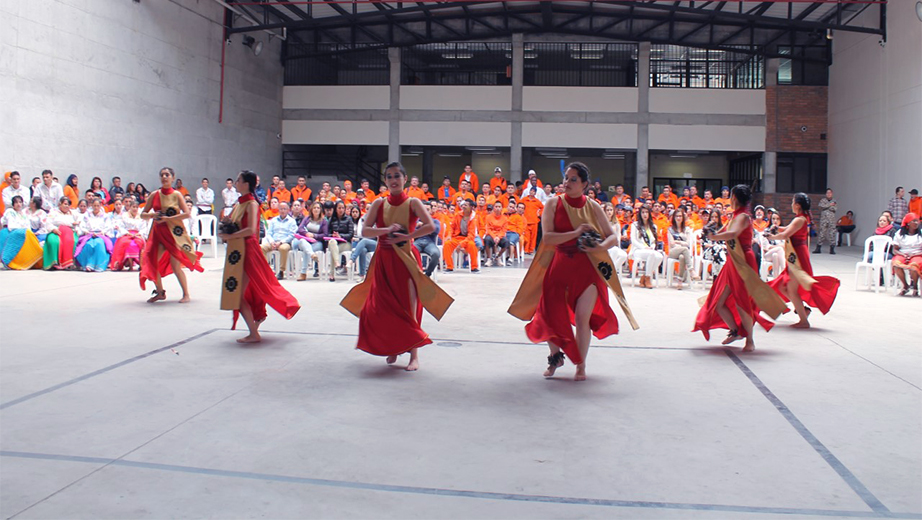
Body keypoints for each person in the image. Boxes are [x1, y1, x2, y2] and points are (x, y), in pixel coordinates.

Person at [508, 162, 637, 382]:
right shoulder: (552, 204)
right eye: (566, 178)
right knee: (551, 316)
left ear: (584, 184)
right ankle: (555, 356)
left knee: (582, 318)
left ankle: (581, 363)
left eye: (573, 179)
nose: (566, 183)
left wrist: (599, 247)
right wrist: (576, 232)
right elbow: (547, 238)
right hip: (559, 266)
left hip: (587, 269)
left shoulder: (593, 206)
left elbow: (612, 237)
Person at [340, 162, 454, 372]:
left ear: (404, 179)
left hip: (406, 258)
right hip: (384, 258)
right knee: (383, 306)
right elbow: (365, 231)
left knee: (409, 307)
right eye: (389, 176)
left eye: (397, 176)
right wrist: (386, 230)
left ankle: (414, 355)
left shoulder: (413, 202)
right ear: (385, 181)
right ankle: (393, 346)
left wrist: (409, 235)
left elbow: (430, 226)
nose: (393, 180)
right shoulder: (378, 204)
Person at [693, 185, 786, 352]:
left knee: (742, 302)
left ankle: (750, 340)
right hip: (732, 260)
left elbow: (731, 234)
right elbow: (723, 230)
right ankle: (735, 331)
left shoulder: (743, 217)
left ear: (734, 198)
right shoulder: (734, 216)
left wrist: (713, 236)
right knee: (718, 301)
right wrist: (709, 230)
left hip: (743, 261)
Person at [218, 170, 300, 343]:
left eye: (239, 180)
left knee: (240, 295)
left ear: (246, 184)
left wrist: (230, 236)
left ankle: (254, 333)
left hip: (248, 250)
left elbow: (251, 231)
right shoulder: (239, 204)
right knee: (246, 291)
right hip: (238, 251)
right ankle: (255, 324)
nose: (236, 182)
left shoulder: (252, 204)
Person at [766, 193, 841, 328]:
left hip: (798, 258)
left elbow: (785, 234)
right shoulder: (800, 218)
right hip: (795, 255)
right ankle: (803, 311)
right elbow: (787, 229)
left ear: (797, 205)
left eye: (792, 202)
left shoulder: (800, 219)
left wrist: (771, 236)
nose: (791, 205)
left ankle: (803, 321)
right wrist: (776, 228)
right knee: (783, 287)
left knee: (791, 289)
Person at [139, 167, 204, 303]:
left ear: (173, 178)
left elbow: (187, 213)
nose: (164, 177)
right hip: (158, 233)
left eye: (167, 175)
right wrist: (152, 215)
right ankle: (160, 291)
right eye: (162, 175)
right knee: (151, 262)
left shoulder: (177, 195)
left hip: (174, 234)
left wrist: (168, 219)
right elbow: (142, 214)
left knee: (176, 266)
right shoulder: (154, 195)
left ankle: (186, 294)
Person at [0, 195, 43, 270]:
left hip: (22, 232)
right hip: (10, 232)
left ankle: (35, 258)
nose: (18, 204)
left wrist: (24, 230)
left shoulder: (23, 214)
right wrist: (23, 230)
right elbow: (11, 226)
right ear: (13, 204)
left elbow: (28, 226)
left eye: (20, 202)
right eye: (16, 202)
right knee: (26, 234)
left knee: (29, 234)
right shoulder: (10, 211)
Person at [630, 206, 664, 289]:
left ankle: (644, 277)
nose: (645, 214)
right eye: (643, 212)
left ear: (649, 214)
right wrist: (644, 248)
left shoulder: (653, 226)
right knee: (652, 254)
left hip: (650, 250)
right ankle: (648, 279)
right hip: (638, 250)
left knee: (660, 256)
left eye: (646, 212)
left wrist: (652, 247)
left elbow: (653, 241)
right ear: (640, 214)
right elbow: (633, 240)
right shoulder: (635, 225)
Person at [261, 201, 297, 280]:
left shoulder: (292, 221)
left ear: (288, 210)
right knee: (261, 247)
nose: (282, 211)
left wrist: (280, 242)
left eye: (284, 209)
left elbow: (292, 235)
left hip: (285, 242)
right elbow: (269, 233)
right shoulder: (273, 220)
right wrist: (272, 242)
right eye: (281, 209)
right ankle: (267, 269)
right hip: (273, 241)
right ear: (278, 210)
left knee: (283, 249)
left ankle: (281, 271)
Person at [293, 201, 328, 280]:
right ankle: (312, 255)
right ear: (312, 209)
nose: (316, 209)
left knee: (306, 250)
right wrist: (307, 234)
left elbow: (325, 235)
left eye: (318, 208)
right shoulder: (307, 218)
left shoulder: (324, 221)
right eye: (314, 208)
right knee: (302, 242)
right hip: (306, 241)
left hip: (317, 242)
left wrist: (314, 235)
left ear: (321, 210)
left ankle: (303, 273)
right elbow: (300, 228)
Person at [443, 200, 480, 273]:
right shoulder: (457, 215)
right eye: (463, 205)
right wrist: (449, 235)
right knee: (447, 244)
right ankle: (449, 267)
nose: (463, 206)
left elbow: (471, 235)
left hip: (468, 239)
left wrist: (461, 245)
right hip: (456, 237)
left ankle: (474, 267)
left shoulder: (473, 218)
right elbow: (451, 227)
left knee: (472, 246)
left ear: (471, 207)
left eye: (466, 205)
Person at [43, 197, 80, 270]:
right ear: (60, 204)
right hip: (56, 231)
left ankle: (68, 264)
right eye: (65, 204)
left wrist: (76, 225)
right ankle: (53, 263)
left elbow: (79, 221)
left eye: (68, 205)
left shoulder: (73, 213)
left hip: (69, 232)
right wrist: (53, 229)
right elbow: (48, 222)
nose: (67, 206)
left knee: (72, 241)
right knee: (53, 242)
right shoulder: (53, 212)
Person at [109, 199, 147, 271]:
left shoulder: (141, 216)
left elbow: (144, 227)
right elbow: (121, 227)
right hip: (127, 234)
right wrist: (127, 233)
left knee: (140, 243)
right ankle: (130, 264)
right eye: (133, 207)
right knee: (126, 243)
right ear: (130, 207)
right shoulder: (124, 215)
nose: (135, 209)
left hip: (138, 234)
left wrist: (139, 233)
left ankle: (141, 264)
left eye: (136, 207)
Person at [891, 213, 922, 297]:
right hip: (902, 254)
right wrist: (902, 254)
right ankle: (905, 285)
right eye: (914, 221)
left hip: (917, 254)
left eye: (917, 221)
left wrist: (914, 254)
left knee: (914, 266)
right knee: (896, 263)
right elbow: (895, 249)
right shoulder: (900, 234)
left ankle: (915, 286)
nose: (916, 223)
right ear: (908, 223)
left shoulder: (921, 234)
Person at [326, 200, 355, 281]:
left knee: (333, 250)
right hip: (334, 242)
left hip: (345, 243)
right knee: (332, 243)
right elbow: (327, 234)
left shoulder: (349, 219)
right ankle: (337, 263)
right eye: (339, 208)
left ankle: (332, 274)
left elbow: (350, 234)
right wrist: (332, 235)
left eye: (343, 208)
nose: (341, 210)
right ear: (336, 209)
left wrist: (340, 236)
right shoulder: (332, 219)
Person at [666, 208, 694, 289]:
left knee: (682, 257)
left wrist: (678, 242)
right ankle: (691, 270)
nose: (678, 218)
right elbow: (672, 244)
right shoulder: (670, 230)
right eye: (677, 216)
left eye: (680, 216)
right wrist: (682, 243)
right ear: (674, 218)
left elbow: (688, 243)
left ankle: (680, 281)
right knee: (685, 250)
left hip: (682, 252)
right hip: (673, 252)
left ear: (683, 218)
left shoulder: (687, 229)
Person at [413, 201, 441, 277]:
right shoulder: (415, 222)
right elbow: (410, 232)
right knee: (408, 252)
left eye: (427, 210)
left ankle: (427, 275)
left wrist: (422, 226)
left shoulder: (435, 221)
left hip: (430, 243)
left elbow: (436, 230)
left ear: (431, 211)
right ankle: (415, 273)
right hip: (417, 242)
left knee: (436, 254)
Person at [759, 212, 786, 280]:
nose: (775, 221)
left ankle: (775, 279)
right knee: (779, 249)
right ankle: (784, 272)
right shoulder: (766, 231)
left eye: (777, 219)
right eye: (773, 219)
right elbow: (766, 247)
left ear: (780, 220)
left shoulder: (782, 232)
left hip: (777, 255)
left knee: (775, 255)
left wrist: (774, 247)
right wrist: (779, 246)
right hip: (767, 255)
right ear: (770, 220)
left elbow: (785, 246)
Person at [483, 202, 509, 267]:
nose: (497, 208)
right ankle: (489, 259)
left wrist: (498, 237)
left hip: (500, 235)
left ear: (502, 208)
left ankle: (498, 256)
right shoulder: (488, 217)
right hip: (491, 235)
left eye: (499, 207)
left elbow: (504, 230)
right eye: (496, 206)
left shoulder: (505, 218)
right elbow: (488, 229)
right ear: (493, 208)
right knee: (487, 240)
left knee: (506, 242)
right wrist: (494, 237)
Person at [814, 189, 837, 254]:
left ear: (832, 193)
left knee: (832, 233)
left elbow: (834, 209)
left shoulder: (834, 201)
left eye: (830, 193)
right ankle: (818, 248)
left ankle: (832, 248)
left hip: (831, 220)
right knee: (822, 233)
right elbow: (821, 207)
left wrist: (827, 206)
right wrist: (830, 205)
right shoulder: (823, 200)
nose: (828, 194)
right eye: (827, 193)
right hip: (824, 219)